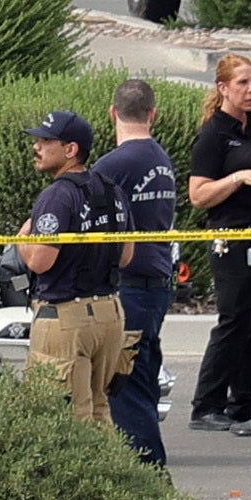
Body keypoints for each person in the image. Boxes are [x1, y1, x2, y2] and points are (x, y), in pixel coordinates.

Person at [176, 53, 251, 430]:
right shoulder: (213, 134)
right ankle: (206, 403)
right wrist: (239, 177)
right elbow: (198, 195)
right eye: (243, 83)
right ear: (223, 88)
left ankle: (241, 400)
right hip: (234, 239)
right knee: (234, 319)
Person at [84, 82, 188, 464]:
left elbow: (91, 227)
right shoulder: (161, 158)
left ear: (113, 113)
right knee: (140, 379)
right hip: (156, 281)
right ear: (153, 114)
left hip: (131, 287)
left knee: (127, 388)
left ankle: (149, 476)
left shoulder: (110, 166)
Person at [15, 111, 131, 427]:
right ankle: (113, 476)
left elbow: (40, 261)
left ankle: (75, 478)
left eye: (46, 141)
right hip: (110, 315)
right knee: (98, 409)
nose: (36, 147)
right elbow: (126, 256)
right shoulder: (112, 191)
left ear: (71, 150)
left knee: (65, 417)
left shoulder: (57, 195)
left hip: (66, 318)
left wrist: (22, 238)